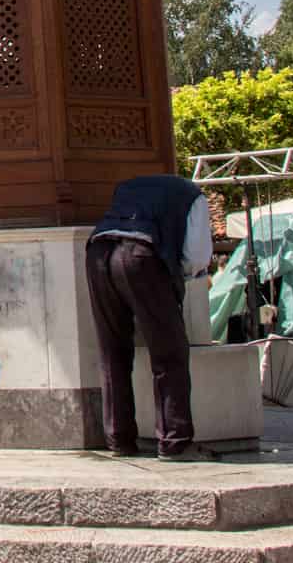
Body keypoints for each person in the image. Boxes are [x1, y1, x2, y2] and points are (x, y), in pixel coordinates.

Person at [87, 174, 214, 462]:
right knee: (169, 353)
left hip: (98, 251)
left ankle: (119, 439)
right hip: (141, 256)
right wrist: (178, 280)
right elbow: (196, 255)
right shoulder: (193, 196)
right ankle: (175, 441)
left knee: (112, 351)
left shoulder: (129, 186)